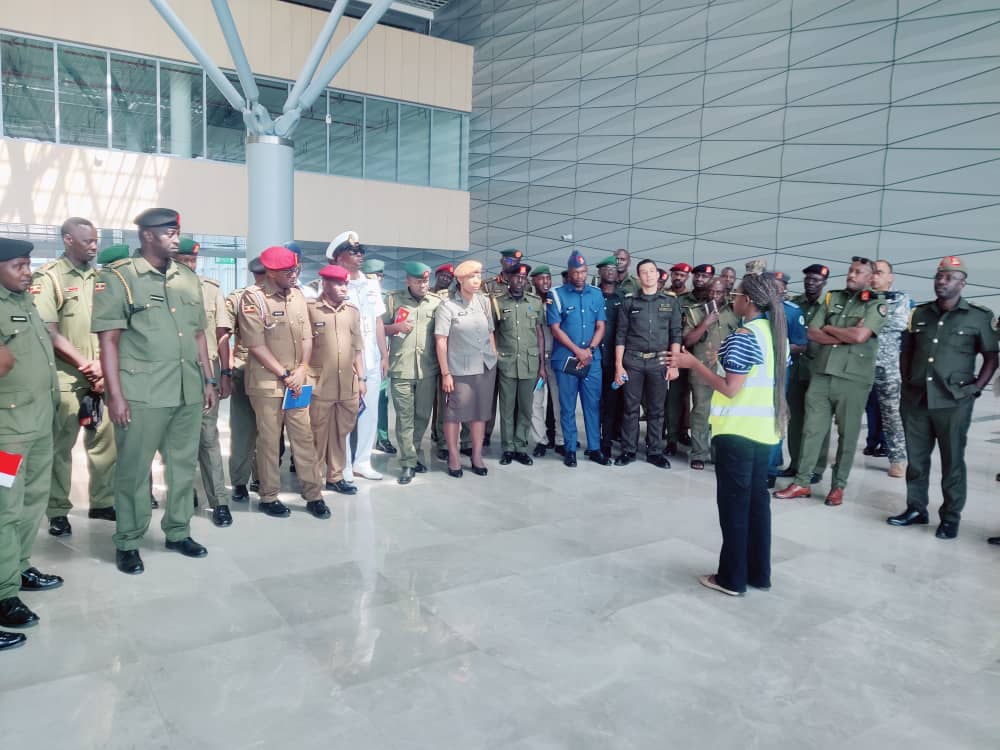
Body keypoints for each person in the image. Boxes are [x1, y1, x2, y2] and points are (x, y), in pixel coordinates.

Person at [92, 208, 217, 574]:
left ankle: (178, 531)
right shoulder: (119, 278)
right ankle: (128, 541)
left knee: (182, 466)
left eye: (177, 231)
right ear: (147, 235)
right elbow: (109, 341)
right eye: (169, 232)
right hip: (142, 393)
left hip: (186, 391)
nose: (176, 238)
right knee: (133, 470)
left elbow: (197, 336)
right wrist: (115, 396)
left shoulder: (187, 278)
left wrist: (208, 381)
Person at [666, 273, 787, 597]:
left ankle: (731, 578)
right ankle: (758, 573)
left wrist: (693, 363)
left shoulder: (743, 336)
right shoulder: (775, 335)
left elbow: (730, 389)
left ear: (748, 300)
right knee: (757, 506)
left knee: (734, 508)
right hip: (764, 434)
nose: (732, 299)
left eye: (735, 294)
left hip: (737, 433)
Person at [887, 256, 997, 540]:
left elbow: (990, 357)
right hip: (916, 399)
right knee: (916, 460)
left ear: (962, 283)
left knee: (952, 462)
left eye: (949, 277)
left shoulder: (978, 317)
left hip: (954, 401)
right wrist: (907, 380)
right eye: (939, 277)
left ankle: (950, 517)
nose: (942, 282)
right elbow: (906, 350)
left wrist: (976, 388)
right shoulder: (920, 314)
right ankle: (916, 508)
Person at [775, 257, 886, 506]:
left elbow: (861, 335)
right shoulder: (831, 298)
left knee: (848, 435)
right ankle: (802, 482)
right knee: (811, 429)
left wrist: (831, 329)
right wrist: (843, 333)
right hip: (822, 374)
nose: (852, 275)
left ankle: (838, 486)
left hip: (853, 379)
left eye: (858, 272)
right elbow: (812, 332)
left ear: (870, 278)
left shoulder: (876, 305)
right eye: (850, 270)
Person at [30, 218, 115, 538]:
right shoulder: (49, 278)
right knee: (60, 448)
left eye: (96, 240)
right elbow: (48, 332)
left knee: (105, 444)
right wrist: (85, 364)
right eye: (87, 241)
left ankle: (103, 502)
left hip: (101, 377)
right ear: (68, 240)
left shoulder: (102, 278)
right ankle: (57, 510)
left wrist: (102, 366)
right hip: (66, 378)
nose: (94, 246)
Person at [0, 238, 62, 648]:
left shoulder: (24, 301)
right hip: (7, 430)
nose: (29, 271)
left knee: (33, 500)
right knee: (5, 508)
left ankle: (19, 567)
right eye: (20, 265)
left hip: (39, 424)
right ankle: (4, 594)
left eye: (30, 264)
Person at [237, 246, 329, 520]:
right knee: (268, 441)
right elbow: (255, 344)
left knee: (304, 437)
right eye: (289, 272)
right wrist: (285, 375)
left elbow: (307, 338)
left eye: (296, 270)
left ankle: (313, 494)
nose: (294, 276)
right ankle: (269, 495)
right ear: (272, 272)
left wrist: (301, 369)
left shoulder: (298, 296)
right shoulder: (254, 299)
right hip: (269, 384)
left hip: (297, 382)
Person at [172, 239, 233, 527]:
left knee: (208, 438)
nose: (190, 265)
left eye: (193, 260)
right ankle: (184, 496)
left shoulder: (211, 289)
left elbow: (222, 335)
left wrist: (225, 373)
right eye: (184, 260)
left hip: (206, 370)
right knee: (179, 439)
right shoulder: (163, 288)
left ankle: (219, 500)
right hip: (171, 371)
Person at [326, 232, 388, 481]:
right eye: (354, 251)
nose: (360, 255)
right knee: (345, 415)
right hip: (345, 361)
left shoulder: (371, 284)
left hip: (371, 358)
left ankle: (363, 461)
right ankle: (344, 465)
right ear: (339, 257)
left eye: (361, 251)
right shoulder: (333, 284)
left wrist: (384, 355)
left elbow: (378, 321)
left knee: (370, 412)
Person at [613, 259, 681, 468]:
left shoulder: (670, 301)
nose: (649, 275)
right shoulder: (629, 301)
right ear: (639, 276)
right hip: (632, 361)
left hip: (659, 361)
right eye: (644, 272)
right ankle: (628, 450)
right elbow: (620, 335)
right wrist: (618, 366)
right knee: (631, 408)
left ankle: (655, 452)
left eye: (652, 271)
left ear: (658, 275)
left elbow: (675, 334)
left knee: (656, 409)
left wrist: (674, 364)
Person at [435, 260, 497, 477]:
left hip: (485, 367)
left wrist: (494, 355)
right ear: (460, 279)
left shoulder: (484, 302)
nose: (476, 280)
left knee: (480, 415)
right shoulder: (447, 305)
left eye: (479, 275)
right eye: (472, 276)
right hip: (459, 370)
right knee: (454, 416)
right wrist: (446, 373)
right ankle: (453, 456)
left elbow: (490, 331)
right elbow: (441, 341)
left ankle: (476, 455)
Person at [307, 264, 365, 496]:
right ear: (325, 284)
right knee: (316, 434)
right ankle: (313, 480)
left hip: (347, 384)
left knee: (342, 432)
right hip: (320, 384)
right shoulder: (310, 309)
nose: (343, 288)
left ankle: (335, 477)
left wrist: (361, 378)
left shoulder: (352, 311)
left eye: (345, 284)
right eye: (338, 284)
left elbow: (357, 348)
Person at [548, 251, 610, 468]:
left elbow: (601, 325)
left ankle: (594, 448)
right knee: (567, 406)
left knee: (592, 405)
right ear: (569, 273)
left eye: (583, 272)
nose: (580, 276)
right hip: (567, 359)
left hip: (591, 359)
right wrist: (578, 351)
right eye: (576, 272)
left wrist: (590, 350)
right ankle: (570, 448)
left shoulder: (596, 294)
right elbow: (555, 328)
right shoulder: (556, 294)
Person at [384, 262, 441, 484]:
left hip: (428, 370)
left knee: (422, 417)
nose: (423, 285)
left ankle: (414, 452)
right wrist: (395, 328)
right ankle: (408, 462)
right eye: (418, 281)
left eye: (426, 281)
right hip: (401, 369)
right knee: (405, 418)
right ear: (408, 280)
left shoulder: (436, 303)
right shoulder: (393, 300)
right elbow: (381, 328)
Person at [683, 276, 738, 470]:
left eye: (719, 292)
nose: (715, 295)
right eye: (712, 291)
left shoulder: (734, 312)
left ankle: (718, 453)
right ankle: (699, 453)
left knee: (723, 414)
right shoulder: (695, 312)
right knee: (701, 412)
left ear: (726, 293)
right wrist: (705, 323)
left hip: (728, 373)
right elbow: (687, 341)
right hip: (702, 370)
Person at [492, 262, 545, 467]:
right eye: (516, 278)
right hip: (506, 362)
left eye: (523, 278)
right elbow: (493, 332)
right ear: (509, 279)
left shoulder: (535, 302)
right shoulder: (497, 303)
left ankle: (521, 447)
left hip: (529, 363)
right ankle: (508, 448)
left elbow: (539, 333)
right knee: (506, 407)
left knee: (525, 408)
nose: (520, 281)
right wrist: (496, 355)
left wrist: (542, 364)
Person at [783, 264, 831, 483]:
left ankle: (816, 467)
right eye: (808, 279)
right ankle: (795, 463)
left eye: (816, 280)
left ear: (824, 283)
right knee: (795, 419)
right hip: (796, 368)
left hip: (819, 370)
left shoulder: (830, 307)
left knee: (818, 421)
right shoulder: (795, 304)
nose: (811, 283)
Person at [225, 257, 266, 502]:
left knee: (269, 431)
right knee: (242, 430)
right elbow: (224, 334)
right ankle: (240, 481)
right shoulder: (239, 298)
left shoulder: (284, 296)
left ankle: (263, 477)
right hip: (245, 367)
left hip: (273, 373)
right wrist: (227, 370)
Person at [865, 260, 910, 478]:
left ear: (890, 277)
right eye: (872, 273)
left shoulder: (900, 299)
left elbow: (898, 323)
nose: (875, 277)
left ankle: (898, 460)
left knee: (892, 415)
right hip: (859, 365)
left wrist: (865, 324)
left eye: (880, 273)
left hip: (888, 367)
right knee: (849, 414)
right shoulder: (861, 298)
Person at [765, 270, 808, 487]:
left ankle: (770, 470)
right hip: (757, 372)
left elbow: (801, 344)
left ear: (784, 288)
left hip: (779, 373)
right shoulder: (757, 308)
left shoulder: (792, 312)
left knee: (775, 417)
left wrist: (779, 347)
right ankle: (772, 460)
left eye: (776, 285)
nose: (773, 288)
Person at [362, 258, 396, 456]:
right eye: (372, 276)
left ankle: (382, 438)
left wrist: (385, 354)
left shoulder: (387, 298)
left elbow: (387, 327)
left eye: (379, 276)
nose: (377, 279)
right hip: (359, 356)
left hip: (379, 355)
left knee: (381, 400)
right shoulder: (354, 294)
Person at [529, 265, 562, 457]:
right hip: (536, 360)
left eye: (548, 278)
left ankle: (560, 440)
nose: (545, 282)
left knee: (559, 402)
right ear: (533, 282)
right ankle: (540, 440)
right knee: (536, 402)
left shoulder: (556, 300)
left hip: (556, 358)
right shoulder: (530, 302)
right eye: (541, 279)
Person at [597, 256, 625, 456]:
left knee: (611, 404)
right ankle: (593, 441)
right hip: (594, 358)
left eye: (613, 269)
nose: (610, 272)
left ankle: (606, 442)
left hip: (615, 361)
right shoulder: (592, 295)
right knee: (593, 404)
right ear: (599, 272)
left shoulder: (624, 299)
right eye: (606, 268)